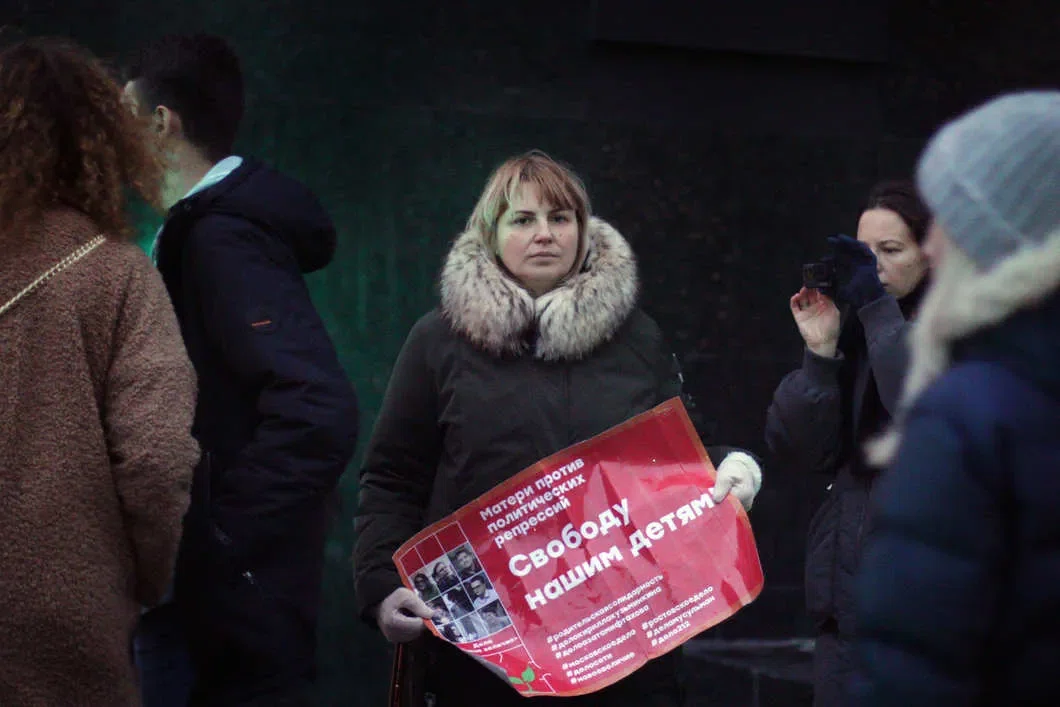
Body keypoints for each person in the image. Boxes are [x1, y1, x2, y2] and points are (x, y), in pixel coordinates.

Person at [352, 150, 762, 706]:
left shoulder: (637, 338)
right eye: (523, 219)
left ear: (583, 230)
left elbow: (679, 458)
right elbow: (393, 478)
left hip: (624, 643)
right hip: (487, 656)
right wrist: (381, 586)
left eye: (560, 218)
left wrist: (733, 468)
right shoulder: (437, 342)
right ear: (491, 234)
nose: (544, 234)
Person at [122, 33, 360, 707]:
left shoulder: (220, 239)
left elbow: (317, 410)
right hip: (215, 605)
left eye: (120, 117)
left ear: (160, 122)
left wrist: (219, 539)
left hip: (228, 618)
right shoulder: (202, 231)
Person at [0, 37, 199, 707]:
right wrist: (145, 577)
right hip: (64, 612)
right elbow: (157, 458)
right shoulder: (118, 276)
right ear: (101, 144)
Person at [852, 91, 1060, 706]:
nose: (933, 245)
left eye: (947, 219)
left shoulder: (972, 409)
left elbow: (911, 660)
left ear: (994, 234)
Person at [764, 180, 931, 706]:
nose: (872, 266)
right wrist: (820, 353)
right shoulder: (859, 328)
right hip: (846, 617)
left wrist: (878, 310)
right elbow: (798, 449)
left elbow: (922, 414)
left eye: (891, 250)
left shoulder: (963, 327)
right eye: (863, 252)